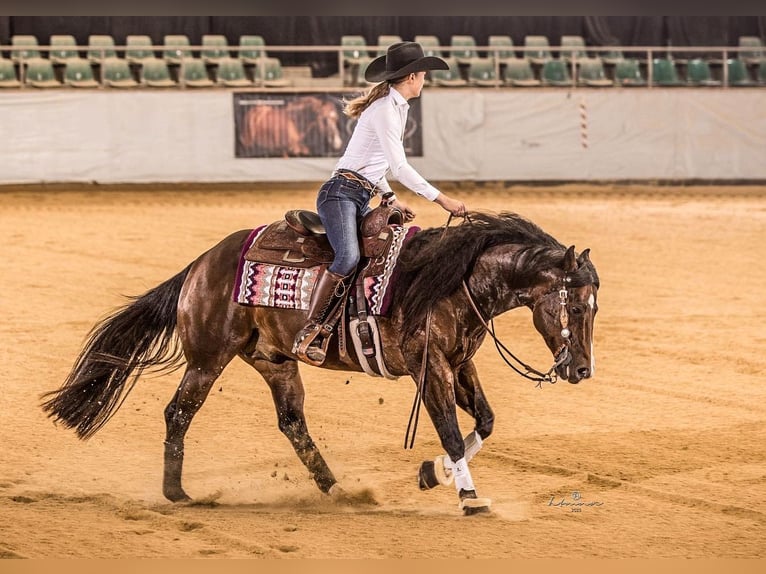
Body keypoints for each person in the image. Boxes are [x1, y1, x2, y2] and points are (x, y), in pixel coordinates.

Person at [293, 41, 468, 365]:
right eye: (424, 75)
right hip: (340, 193)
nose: (425, 80)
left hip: (357, 193)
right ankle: (310, 330)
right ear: (413, 77)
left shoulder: (394, 107)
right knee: (347, 257)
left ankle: (349, 324)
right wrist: (441, 199)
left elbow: (373, 164)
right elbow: (398, 167)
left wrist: (388, 198)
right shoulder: (387, 110)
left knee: (381, 252)